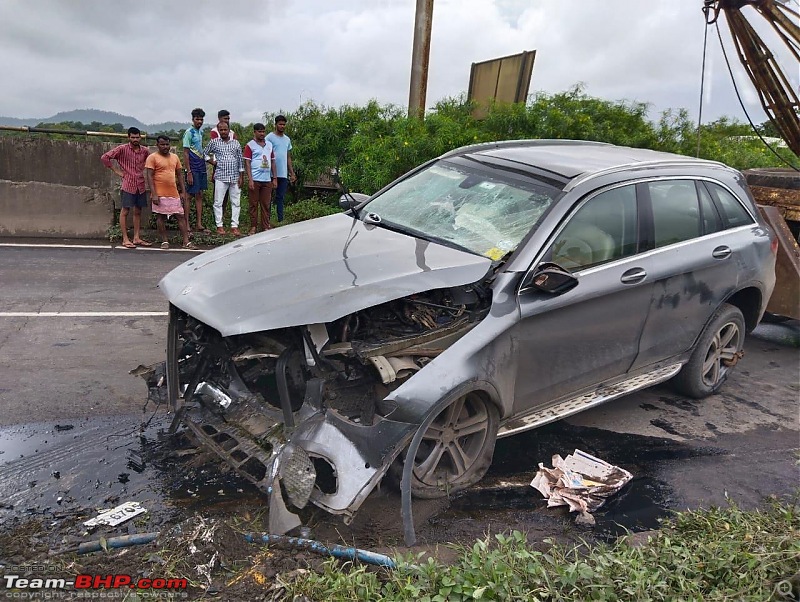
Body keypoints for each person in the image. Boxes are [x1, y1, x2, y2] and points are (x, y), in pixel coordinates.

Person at [101, 127, 151, 249]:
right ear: (128, 137)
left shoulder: (144, 151)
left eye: (137, 137)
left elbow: (151, 162)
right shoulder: (122, 149)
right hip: (128, 184)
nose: (135, 139)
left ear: (140, 137)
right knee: (125, 211)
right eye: (133, 137)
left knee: (138, 211)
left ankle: (136, 237)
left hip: (140, 184)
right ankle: (125, 238)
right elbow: (105, 157)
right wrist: (117, 171)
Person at [144, 135, 195, 250]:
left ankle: (186, 242)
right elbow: (149, 177)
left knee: (180, 216)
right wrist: (154, 194)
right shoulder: (152, 158)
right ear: (157, 145)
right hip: (159, 194)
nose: (165, 147)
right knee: (160, 217)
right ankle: (164, 241)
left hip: (174, 193)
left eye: (167, 144)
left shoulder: (175, 157)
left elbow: (180, 175)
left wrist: (183, 191)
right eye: (162, 144)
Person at [203, 121, 244, 236]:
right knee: (218, 202)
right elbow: (204, 153)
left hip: (235, 177)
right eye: (221, 130)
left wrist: (241, 177)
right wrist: (212, 162)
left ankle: (234, 226)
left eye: (225, 129)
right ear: (218, 130)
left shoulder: (235, 143)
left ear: (229, 130)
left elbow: (240, 160)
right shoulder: (214, 142)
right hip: (221, 176)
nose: (223, 132)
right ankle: (219, 226)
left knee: (236, 202)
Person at [243, 123, 277, 234]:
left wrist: (275, 178)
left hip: (267, 179)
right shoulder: (250, 145)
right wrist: (250, 179)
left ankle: (265, 226)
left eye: (263, 131)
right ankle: (253, 226)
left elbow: (272, 161)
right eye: (260, 131)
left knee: (266, 204)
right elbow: (247, 162)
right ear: (255, 132)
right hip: (255, 179)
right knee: (253, 204)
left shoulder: (269, 145)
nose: (262, 134)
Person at [182, 108, 210, 235]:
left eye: (201, 119)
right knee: (189, 196)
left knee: (199, 194)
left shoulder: (201, 132)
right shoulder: (189, 132)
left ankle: (198, 223)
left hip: (201, 165)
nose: (199, 121)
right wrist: (189, 171)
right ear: (193, 119)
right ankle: (186, 224)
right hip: (192, 166)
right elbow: (186, 153)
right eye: (197, 119)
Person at [266, 115, 296, 223]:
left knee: (280, 197)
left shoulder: (287, 139)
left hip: (283, 173)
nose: (282, 126)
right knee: (268, 198)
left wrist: (291, 173)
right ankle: (266, 221)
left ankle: (280, 220)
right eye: (280, 124)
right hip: (270, 173)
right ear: (276, 125)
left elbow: (288, 157)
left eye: (284, 124)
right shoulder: (269, 137)